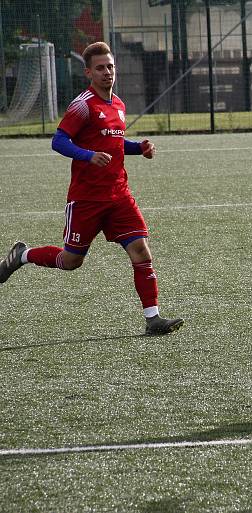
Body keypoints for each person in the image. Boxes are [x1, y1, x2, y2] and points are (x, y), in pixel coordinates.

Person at [0, 42, 184, 336]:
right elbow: (59, 141)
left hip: (119, 195)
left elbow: (113, 142)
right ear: (88, 72)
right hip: (86, 199)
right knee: (71, 261)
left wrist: (140, 148)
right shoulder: (83, 105)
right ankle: (22, 255)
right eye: (100, 68)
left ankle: (153, 319)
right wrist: (88, 155)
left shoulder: (119, 105)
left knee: (141, 251)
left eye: (110, 66)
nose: (107, 72)